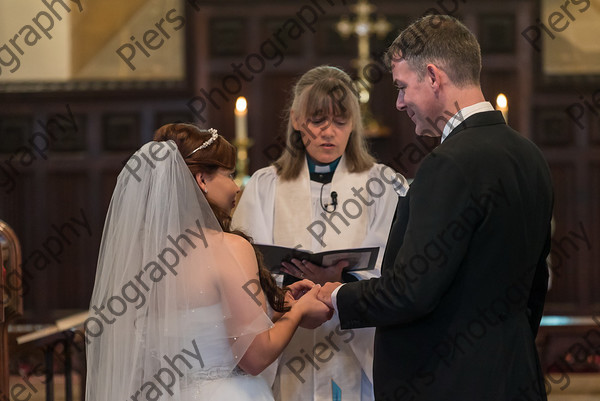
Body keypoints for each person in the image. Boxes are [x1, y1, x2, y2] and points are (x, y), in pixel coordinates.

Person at [318, 15, 553, 401]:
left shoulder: (448, 164)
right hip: (516, 375)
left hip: (448, 382)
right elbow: (535, 286)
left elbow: (411, 291)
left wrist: (335, 297)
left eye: (401, 87)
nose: (398, 102)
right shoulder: (530, 156)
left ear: (432, 76)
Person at [85, 123, 333, 401]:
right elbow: (255, 356)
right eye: (229, 175)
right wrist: (297, 313)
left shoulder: (141, 256)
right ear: (202, 180)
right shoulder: (228, 248)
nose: (236, 186)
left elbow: (204, 323)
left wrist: (278, 304)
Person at [231, 66, 408, 401]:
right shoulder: (266, 186)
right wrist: (292, 291)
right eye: (317, 121)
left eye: (340, 122)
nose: (329, 132)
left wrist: (341, 277)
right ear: (297, 120)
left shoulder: (381, 183)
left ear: (354, 123)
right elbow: (245, 273)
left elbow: (395, 267)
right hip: (288, 340)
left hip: (356, 342)